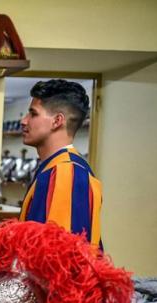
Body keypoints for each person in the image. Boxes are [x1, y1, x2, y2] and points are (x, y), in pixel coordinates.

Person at [18, 79, 101, 246]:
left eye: (33, 114)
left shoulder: (66, 172)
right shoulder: (53, 166)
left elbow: (61, 258)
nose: (24, 121)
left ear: (57, 121)